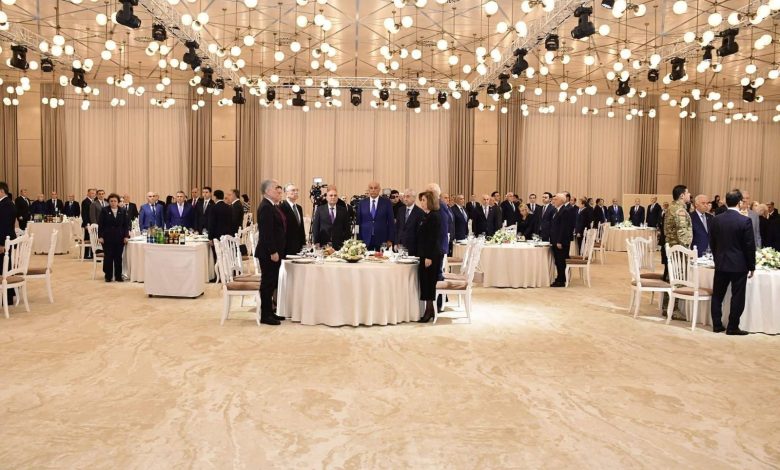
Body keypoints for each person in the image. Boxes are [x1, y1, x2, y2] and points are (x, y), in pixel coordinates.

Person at [709, 189, 756, 335]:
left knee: (717, 295)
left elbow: (712, 243)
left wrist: (717, 259)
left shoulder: (716, 219)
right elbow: (749, 246)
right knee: (738, 296)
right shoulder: (745, 221)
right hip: (739, 265)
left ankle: (717, 325)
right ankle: (732, 327)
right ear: (739, 202)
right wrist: (751, 266)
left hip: (721, 263)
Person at [255, 179, 286, 326]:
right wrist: (273, 251)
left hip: (273, 251)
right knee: (267, 284)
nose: (278, 190)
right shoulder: (266, 207)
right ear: (267, 191)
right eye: (275, 188)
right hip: (268, 253)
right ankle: (265, 315)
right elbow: (266, 233)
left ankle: (270, 311)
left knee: (271, 282)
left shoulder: (271, 205)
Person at [662, 184, 692, 319]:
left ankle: (666, 307)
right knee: (678, 279)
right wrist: (687, 250)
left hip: (672, 247)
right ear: (682, 195)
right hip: (678, 250)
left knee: (671, 278)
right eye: (687, 193)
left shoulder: (671, 208)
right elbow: (682, 232)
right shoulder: (680, 210)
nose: (689, 195)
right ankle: (673, 309)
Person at [414, 190, 443, 323]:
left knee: (429, 283)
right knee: (426, 282)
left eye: (424, 200)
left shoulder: (434, 216)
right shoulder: (428, 215)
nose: (422, 203)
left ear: (430, 201)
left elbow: (433, 238)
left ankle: (429, 311)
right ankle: (429, 309)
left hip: (430, 255)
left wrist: (428, 257)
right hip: (425, 254)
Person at [97, 193, 130, 282]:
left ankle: (118, 276)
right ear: (109, 202)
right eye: (111, 201)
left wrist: (126, 236)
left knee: (118, 257)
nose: (113, 203)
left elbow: (126, 225)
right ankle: (108, 276)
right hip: (107, 238)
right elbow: (101, 225)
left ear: (118, 202)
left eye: (115, 201)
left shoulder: (123, 211)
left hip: (120, 237)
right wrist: (100, 236)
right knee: (108, 257)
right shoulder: (104, 210)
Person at [356, 181, 395, 251]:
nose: (373, 190)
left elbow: (391, 222)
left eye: (375, 188)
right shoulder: (362, 203)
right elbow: (358, 222)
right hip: (365, 239)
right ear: (368, 190)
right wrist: (358, 239)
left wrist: (390, 239)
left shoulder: (386, 203)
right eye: (371, 188)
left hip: (382, 239)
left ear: (379, 189)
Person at [550, 193, 576, 287]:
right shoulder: (558, 210)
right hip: (556, 240)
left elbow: (563, 228)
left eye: (555, 199)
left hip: (560, 241)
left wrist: (559, 241)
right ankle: (559, 278)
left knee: (561, 261)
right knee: (558, 261)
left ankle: (561, 280)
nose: (553, 201)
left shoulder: (564, 211)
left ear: (561, 201)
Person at [0, 182, 17, 304]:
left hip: (4, 242)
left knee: (4, 268)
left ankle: (7, 296)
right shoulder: (7, 203)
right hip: (5, 241)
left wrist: (1, 244)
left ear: (1, 191)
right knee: (6, 267)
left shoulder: (5, 205)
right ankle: (9, 294)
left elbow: (4, 226)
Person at [394, 188, 424, 254]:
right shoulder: (400, 210)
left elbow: (419, 233)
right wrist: (396, 243)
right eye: (404, 196)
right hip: (400, 246)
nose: (405, 199)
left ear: (414, 198)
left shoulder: (420, 212)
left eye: (408, 196)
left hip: (413, 247)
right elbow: (397, 228)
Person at [280, 184, 305, 256]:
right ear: (286, 193)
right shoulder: (281, 207)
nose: (296, 192)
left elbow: (301, 227)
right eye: (293, 190)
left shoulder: (299, 208)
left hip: (298, 246)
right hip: (286, 246)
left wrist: (303, 244)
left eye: (297, 190)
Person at [81, 189, 96, 259]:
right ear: (88, 194)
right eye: (92, 193)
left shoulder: (94, 201)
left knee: (94, 239)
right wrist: (86, 224)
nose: (93, 194)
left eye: (94, 193)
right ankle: (86, 255)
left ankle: (93, 254)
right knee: (87, 238)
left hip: (93, 224)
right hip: (88, 224)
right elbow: (84, 214)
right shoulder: (85, 202)